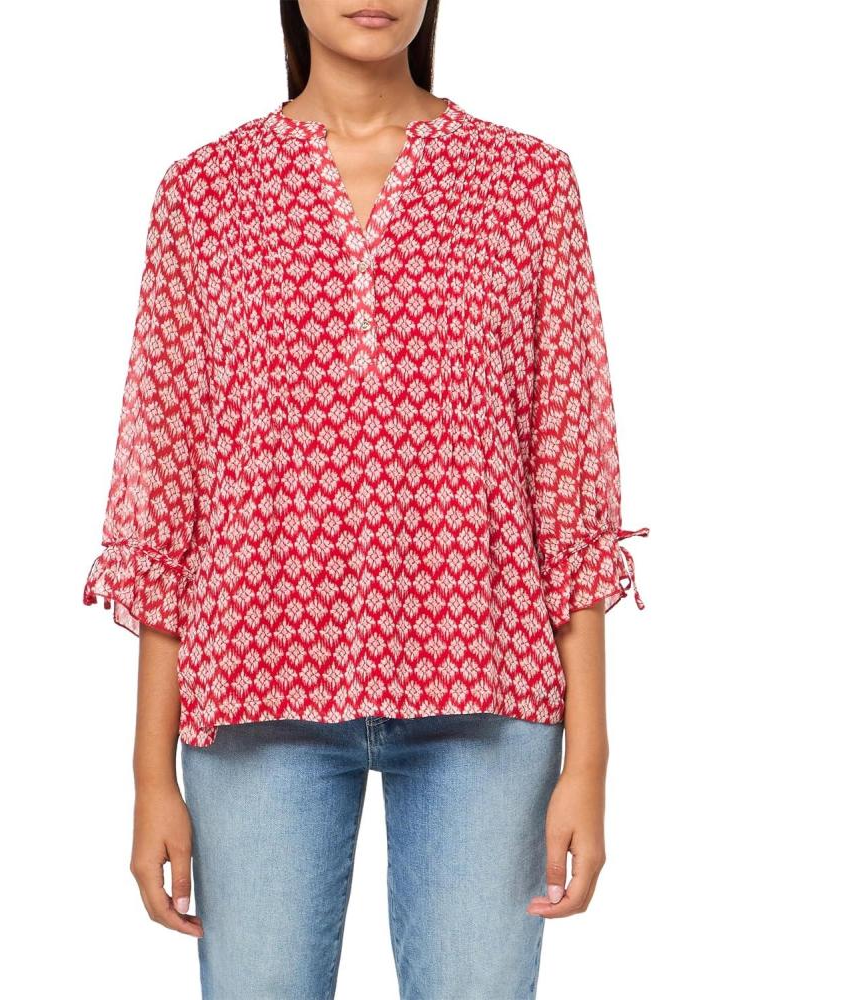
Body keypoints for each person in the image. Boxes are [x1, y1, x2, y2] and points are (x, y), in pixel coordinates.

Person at [82, 1, 649, 996]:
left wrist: (589, 762)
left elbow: (568, 474)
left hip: (487, 692)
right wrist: (148, 777)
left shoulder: (526, 184)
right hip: (255, 692)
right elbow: (168, 490)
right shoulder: (205, 195)